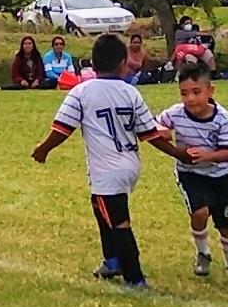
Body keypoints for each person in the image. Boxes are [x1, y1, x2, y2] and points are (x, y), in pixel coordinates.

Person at [30, 34, 191, 288]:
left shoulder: (81, 92)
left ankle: (135, 277)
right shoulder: (130, 92)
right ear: (122, 64)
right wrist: (178, 153)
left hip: (107, 170)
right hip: (130, 164)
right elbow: (150, 134)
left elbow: (62, 128)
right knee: (99, 206)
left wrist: (43, 149)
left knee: (119, 221)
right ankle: (112, 260)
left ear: (92, 64)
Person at [156, 64, 228, 276]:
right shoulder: (176, 113)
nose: (190, 99)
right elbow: (154, 125)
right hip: (190, 173)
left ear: (210, 91)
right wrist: (163, 131)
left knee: (225, 223)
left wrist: (207, 156)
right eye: (184, 93)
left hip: (219, 175)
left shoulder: (222, 118)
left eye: (196, 92)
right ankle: (202, 253)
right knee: (200, 212)